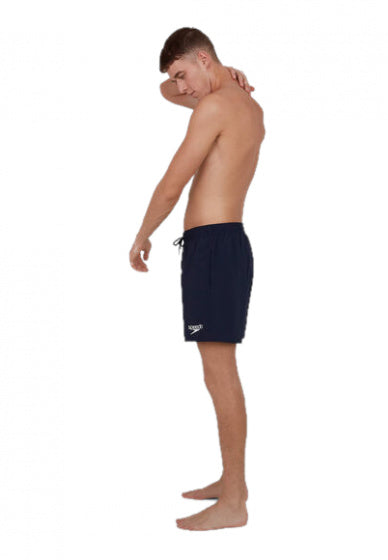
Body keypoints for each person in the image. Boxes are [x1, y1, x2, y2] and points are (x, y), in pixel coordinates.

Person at [129, 27, 265, 531]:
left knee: (219, 372)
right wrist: (217, 76)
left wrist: (142, 233)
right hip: (225, 246)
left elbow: (172, 184)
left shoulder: (214, 107)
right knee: (218, 371)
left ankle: (233, 502)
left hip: (212, 250)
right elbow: (167, 90)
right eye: (176, 77)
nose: (180, 86)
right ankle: (233, 483)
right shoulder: (244, 105)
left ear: (204, 58)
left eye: (183, 73)